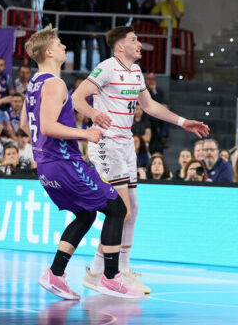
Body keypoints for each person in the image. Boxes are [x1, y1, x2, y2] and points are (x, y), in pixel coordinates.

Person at [72, 26, 209, 294]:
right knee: (121, 210)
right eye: (134, 40)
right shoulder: (106, 68)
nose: (140, 44)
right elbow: (77, 98)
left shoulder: (136, 71)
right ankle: (104, 273)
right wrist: (94, 114)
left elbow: (150, 106)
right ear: (120, 46)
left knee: (133, 208)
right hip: (106, 143)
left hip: (126, 144)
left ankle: (114, 270)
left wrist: (183, 122)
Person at [22, 25, 142, 299]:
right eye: (59, 44)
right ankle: (110, 278)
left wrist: (44, 149)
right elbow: (48, 126)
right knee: (117, 209)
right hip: (64, 163)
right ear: (49, 52)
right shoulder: (55, 83)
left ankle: (55, 274)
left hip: (46, 165)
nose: (64, 46)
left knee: (86, 214)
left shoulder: (34, 83)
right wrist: (85, 133)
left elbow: (25, 124)